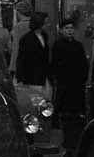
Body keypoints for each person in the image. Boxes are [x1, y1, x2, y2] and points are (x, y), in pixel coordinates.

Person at [47, 14, 89, 147]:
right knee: (64, 113)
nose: (69, 30)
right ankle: (66, 140)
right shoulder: (58, 46)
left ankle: (76, 140)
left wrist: (82, 79)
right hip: (65, 84)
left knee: (77, 114)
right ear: (61, 30)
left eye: (71, 28)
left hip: (77, 85)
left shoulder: (78, 46)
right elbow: (54, 64)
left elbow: (83, 65)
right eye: (67, 28)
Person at [12, 12, 50, 116]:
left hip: (43, 75)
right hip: (31, 76)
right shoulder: (26, 39)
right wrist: (20, 78)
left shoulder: (45, 36)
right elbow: (21, 59)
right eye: (46, 22)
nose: (48, 25)